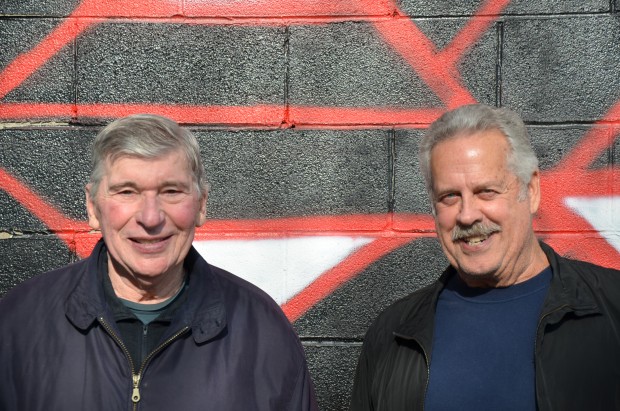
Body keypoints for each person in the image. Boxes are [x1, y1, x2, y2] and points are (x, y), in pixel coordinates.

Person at [0, 114, 318, 410]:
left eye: (171, 191)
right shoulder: (17, 325)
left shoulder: (263, 334)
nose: (150, 218)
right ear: (93, 208)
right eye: (126, 192)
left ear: (201, 205)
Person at [349, 104, 620, 410]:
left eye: (486, 192)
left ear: (530, 191)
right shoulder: (393, 336)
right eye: (449, 196)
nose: (467, 215)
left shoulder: (611, 307)